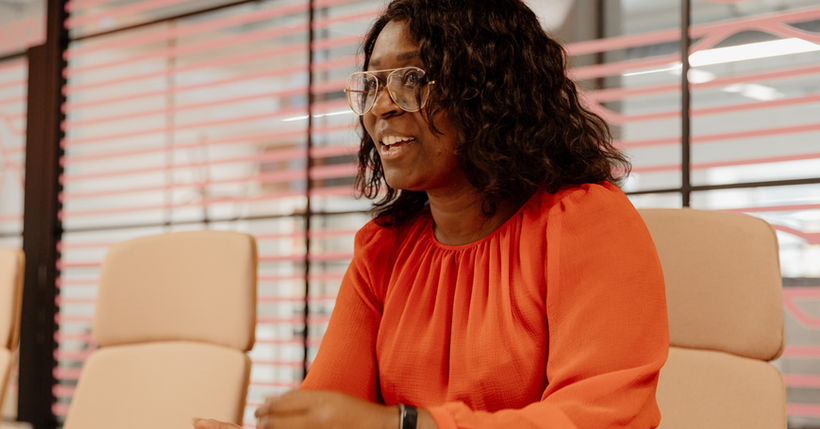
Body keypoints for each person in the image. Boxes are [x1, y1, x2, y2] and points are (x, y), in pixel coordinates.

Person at [195, 0, 668, 428]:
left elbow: (599, 418)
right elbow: (328, 407)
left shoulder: (584, 221)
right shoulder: (384, 249)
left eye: (409, 80)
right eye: (373, 84)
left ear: (490, 92)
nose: (380, 107)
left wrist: (403, 425)